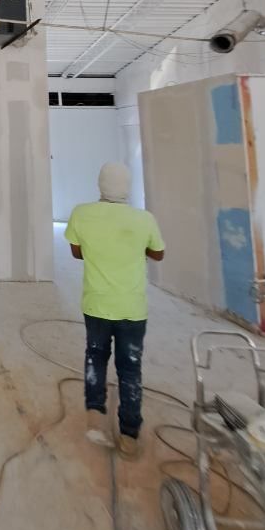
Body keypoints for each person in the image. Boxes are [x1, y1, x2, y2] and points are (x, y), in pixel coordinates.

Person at [64, 162, 164, 458]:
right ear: (127, 187)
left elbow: (76, 251)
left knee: (96, 356)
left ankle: (95, 414)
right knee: (130, 367)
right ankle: (129, 434)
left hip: (96, 304)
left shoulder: (82, 213)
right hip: (132, 308)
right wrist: (134, 246)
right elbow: (158, 253)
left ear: (100, 185)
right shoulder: (144, 219)